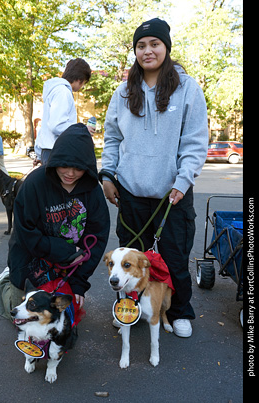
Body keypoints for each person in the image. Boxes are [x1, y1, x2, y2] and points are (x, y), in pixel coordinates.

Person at [101, 18, 209, 338]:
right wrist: (107, 176)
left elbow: (194, 141)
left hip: (171, 193)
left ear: (166, 47)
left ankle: (178, 311)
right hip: (131, 191)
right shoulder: (123, 92)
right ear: (135, 51)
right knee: (130, 263)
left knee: (173, 258)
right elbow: (111, 139)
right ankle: (129, 310)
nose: (147, 51)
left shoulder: (187, 88)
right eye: (141, 45)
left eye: (154, 44)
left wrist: (183, 179)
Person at [0, 123, 110, 322]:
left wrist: (79, 282)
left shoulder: (92, 190)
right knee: (22, 316)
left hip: (68, 263)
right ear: (55, 161)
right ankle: (5, 282)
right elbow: (26, 233)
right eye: (65, 165)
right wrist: (64, 250)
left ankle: (63, 283)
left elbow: (97, 238)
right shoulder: (34, 183)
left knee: (63, 317)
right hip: (31, 256)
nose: (70, 173)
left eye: (78, 168)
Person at [33, 58, 95, 166]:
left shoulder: (56, 90)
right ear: (80, 79)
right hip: (57, 151)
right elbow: (57, 125)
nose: (82, 87)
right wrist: (83, 130)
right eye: (84, 83)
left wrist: (40, 154)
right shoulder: (63, 92)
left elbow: (46, 127)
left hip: (49, 151)